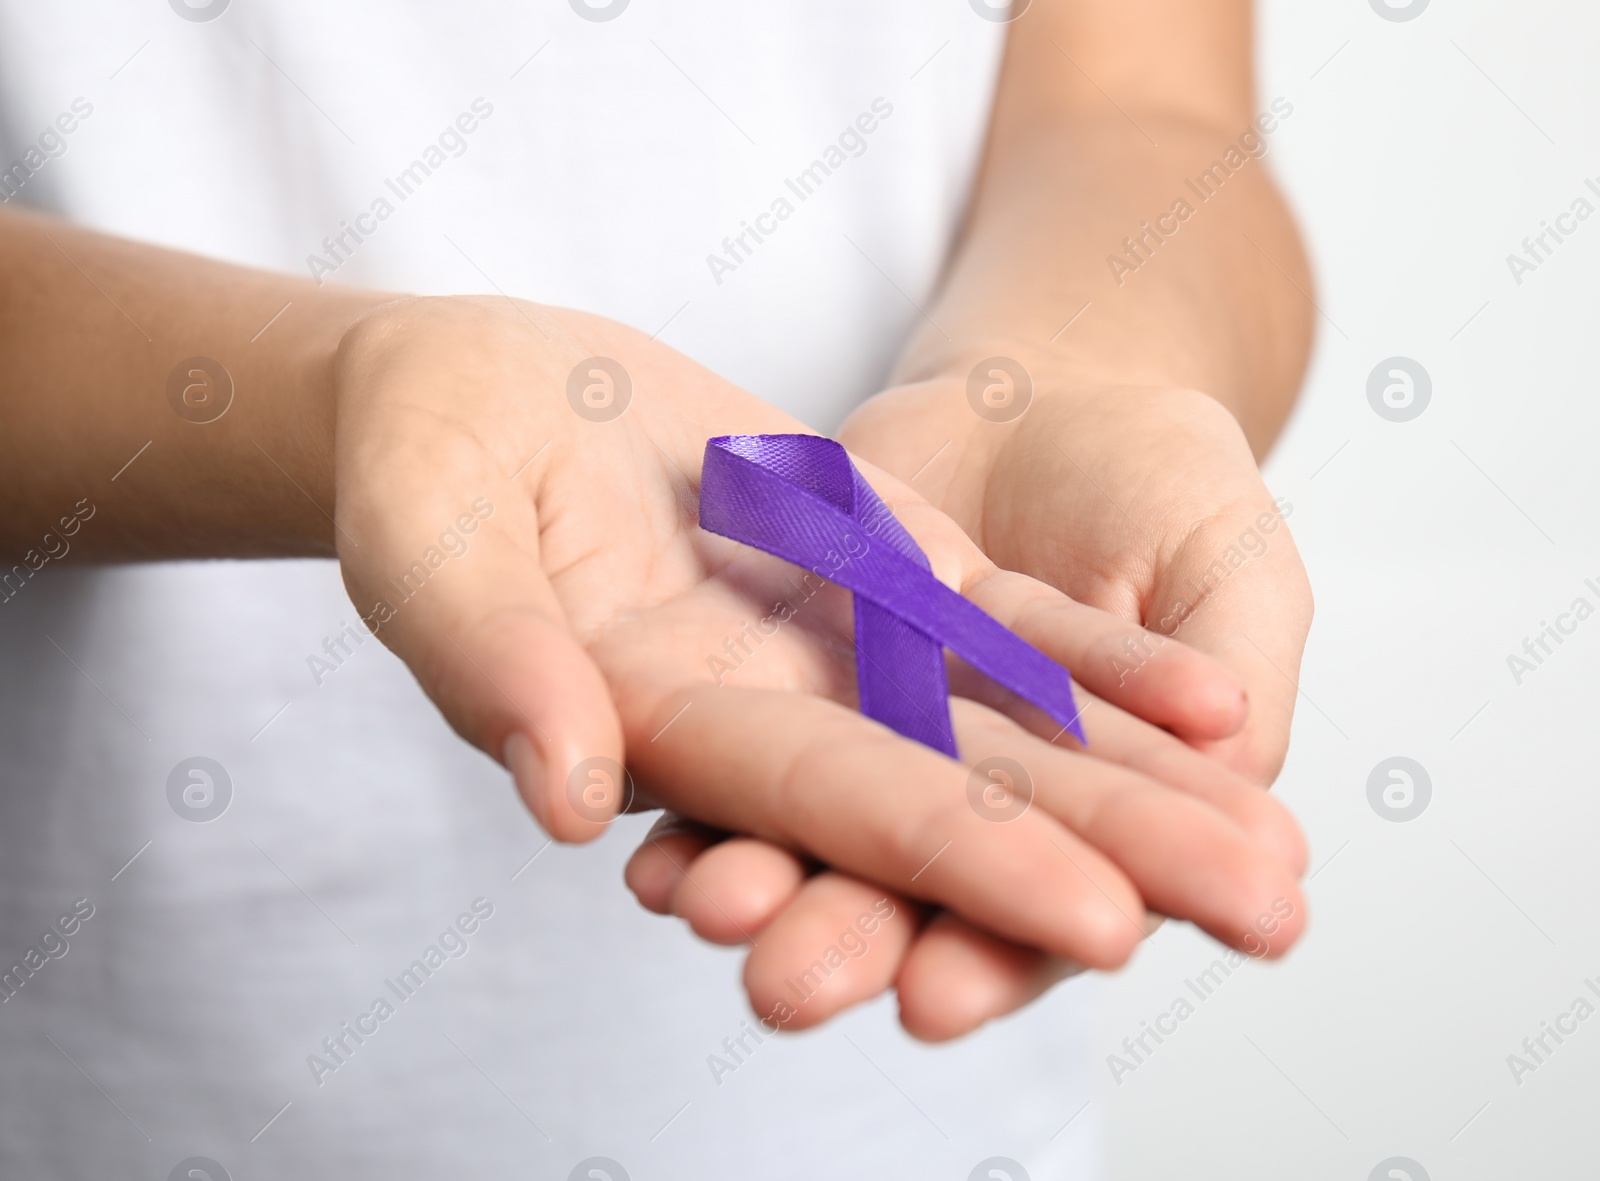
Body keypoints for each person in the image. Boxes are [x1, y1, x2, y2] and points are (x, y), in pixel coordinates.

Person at [0, 0, 1313, 1175]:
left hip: (910, 1119)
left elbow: (1145, 110)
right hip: (123, 1066)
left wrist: (1058, 378)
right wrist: (338, 394)